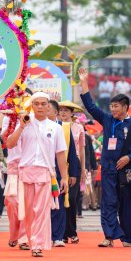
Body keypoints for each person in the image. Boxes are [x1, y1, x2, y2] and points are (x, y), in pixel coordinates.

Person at [79, 67, 131, 248]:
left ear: (126, 107)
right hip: (108, 168)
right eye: (112, 106)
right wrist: (84, 82)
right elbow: (91, 107)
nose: (113, 109)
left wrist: (129, 158)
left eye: (116, 106)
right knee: (108, 202)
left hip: (127, 170)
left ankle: (127, 237)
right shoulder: (107, 119)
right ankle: (108, 236)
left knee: (127, 203)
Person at [6, 92, 69, 257]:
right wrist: (20, 126)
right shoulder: (25, 123)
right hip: (26, 172)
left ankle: (37, 245)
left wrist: (65, 177)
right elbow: (10, 144)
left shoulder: (55, 128)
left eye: (43, 104)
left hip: (44, 172)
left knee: (41, 210)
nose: (40, 107)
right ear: (32, 106)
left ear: (49, 106)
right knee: (28, 211)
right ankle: (31, 239)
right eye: (37, 104)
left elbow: (61, 154)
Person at [47, 100, 80, 248]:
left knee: (59, 203)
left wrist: (71, 173)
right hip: (42, 170)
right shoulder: (36, 126)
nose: (43, 111)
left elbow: (71, 151)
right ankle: (44, 234)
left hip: (59, 172)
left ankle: (58, 236)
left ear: (55, 112)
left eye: (47, 109)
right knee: (43, 205)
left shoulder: (64, 128)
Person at [58, 100, 86, 244]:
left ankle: (72, 231)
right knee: (61, 199)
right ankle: (61, 232)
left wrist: (83, 168)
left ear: (71, 113)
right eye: (60, 110)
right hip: (59, 163)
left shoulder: (78, 127)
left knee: (72, 200)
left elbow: (81, 150)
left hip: (74, 165)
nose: (63, 113)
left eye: (66, 111)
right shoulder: (56, 126)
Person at [1, 115, 28, 249]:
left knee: (26, 203)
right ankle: (14, 234)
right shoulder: (9, 118)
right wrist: (20, 125)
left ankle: (24, 239)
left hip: (29, 165)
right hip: (13, 165)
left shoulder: (34, 118)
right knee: (12, 203)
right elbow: (5, 138)